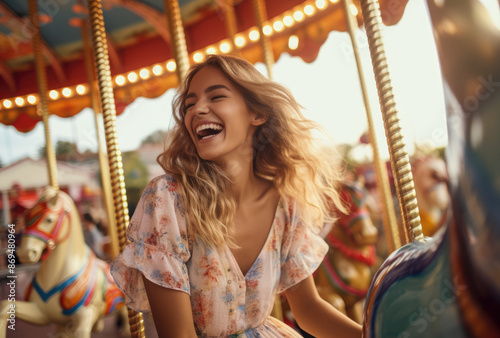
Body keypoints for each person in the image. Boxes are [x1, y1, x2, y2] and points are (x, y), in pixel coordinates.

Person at [111, 54, 362, 337]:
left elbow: (308, 308)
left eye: (216, 97)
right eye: (190, 104)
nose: (197, 110)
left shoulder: (286, 204)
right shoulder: (167, 200)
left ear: (257, 113)